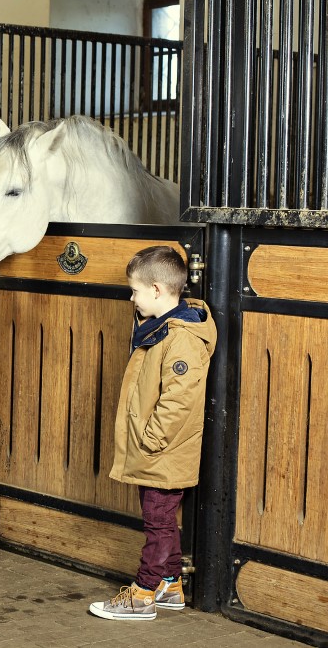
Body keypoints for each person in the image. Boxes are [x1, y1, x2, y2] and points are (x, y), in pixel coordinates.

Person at [88, 245, 216, 621]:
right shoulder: (162, 328)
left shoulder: (182, 338)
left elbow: (179, 400)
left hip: (163, 448)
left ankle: (142, 594)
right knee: (162, 519)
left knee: (157, 522)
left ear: (157, 290)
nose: (132, 297)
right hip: (157, 447)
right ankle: (171, 585)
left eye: (136, 291)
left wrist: (152, 439)